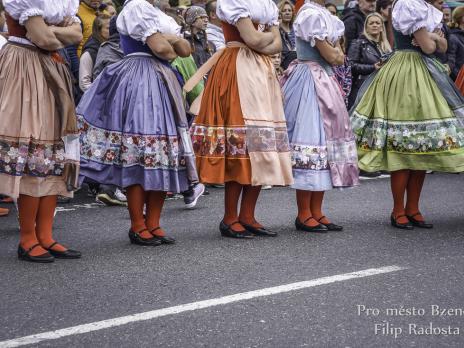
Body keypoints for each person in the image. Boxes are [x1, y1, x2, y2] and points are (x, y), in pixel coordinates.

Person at [78, 0, 202, 246]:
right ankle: (137, 225)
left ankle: (153, 223)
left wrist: (166, 39)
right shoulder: (136, 7)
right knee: (139, 154)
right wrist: (168, 41)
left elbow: (186, 50)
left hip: (162, 80)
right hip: (140, 79)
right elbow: (165, 51)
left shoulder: (159, 15)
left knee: (162, 154)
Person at [350, 0, 464, 230]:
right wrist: (432, 38)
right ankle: (398, 210)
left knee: (420, 147)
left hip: (423, 70)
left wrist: (433, 39)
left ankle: (413, 208)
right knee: (403, 145)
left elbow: (441, 45)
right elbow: (430, 47)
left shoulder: (421, 8)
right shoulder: (407, 4)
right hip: (406, 73)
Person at [189, 0, 293, 239]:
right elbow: (258, 41)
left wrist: (262, 41)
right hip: (237, 69)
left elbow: (274, 45)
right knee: (242, 147)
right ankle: (229, 218)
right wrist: (265, 37)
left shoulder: (265, 3)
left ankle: (247, 215)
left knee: (261, 145)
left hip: (260, 71)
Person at [0, 0, 83, 262]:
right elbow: (45, 40)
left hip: (51, 68)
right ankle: (27, 239)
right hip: (24, 69)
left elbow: (75, 36)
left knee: (53, 155)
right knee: (33, 151)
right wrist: (54, 31)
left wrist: (47, 30)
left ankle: (45, 236)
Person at [281, 0, 359, 233]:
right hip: (309, 80)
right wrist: (334, 51)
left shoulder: (323, 15)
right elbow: (333, 55)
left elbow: (338, 56)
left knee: (325, 145)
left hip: (324, 78)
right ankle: (304, 213)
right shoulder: (309, 14)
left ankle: (317, 211)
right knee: (311, 140)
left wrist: (335, 52)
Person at [348, 12, 392, 109]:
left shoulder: (386, 47)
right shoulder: (358, 43)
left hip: (382, 89)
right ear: (366, 27)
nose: (374, 25)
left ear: (381, 27)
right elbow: (350, 65)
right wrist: (372, 67)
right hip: (363, 88)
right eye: (371, 23)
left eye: (377, 23)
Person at [79, 14, 111, 92]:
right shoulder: (90, 52)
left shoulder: (111, 46)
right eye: (108, 28)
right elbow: (84, 83)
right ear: (98, 30)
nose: (111, 30)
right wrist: (100, 94)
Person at [278, 0, 297, 69]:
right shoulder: (276, 30)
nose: (287, 13)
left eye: (289, 10)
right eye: (284, 10)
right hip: (282, 65)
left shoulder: (296, 30)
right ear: (280, 13)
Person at [449, 6, 464, 82]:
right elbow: (451, 63)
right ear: (461, 18)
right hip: (459, 82)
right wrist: (460, 78)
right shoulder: (453, 37)